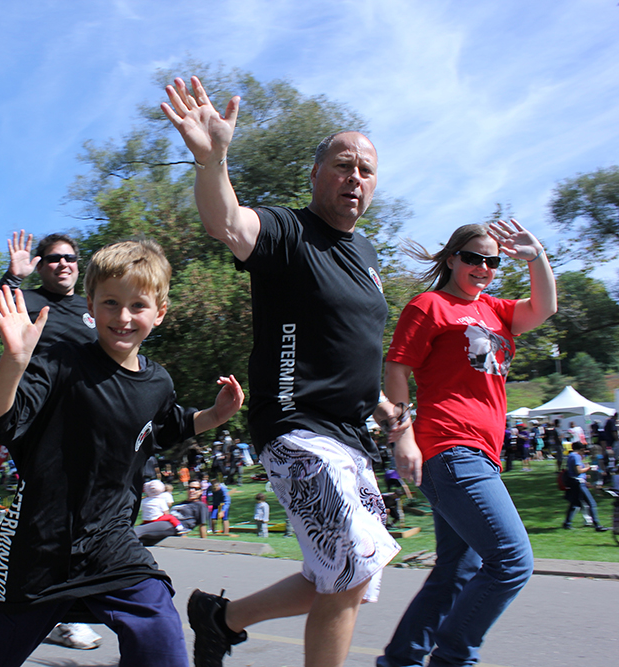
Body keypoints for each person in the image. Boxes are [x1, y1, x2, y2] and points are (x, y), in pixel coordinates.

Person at [162, 75, 406, 667]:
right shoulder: (289, 232)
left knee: (349, 577)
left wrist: (383, 406)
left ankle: (221, 619)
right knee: (349, 563)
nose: (355, 177)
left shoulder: (367, 255)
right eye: (344, 164)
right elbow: (228, 223)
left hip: (352, 435)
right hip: (296, 428)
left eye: (366, 170)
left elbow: (348, 345)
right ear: (316, 174)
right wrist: (212, 161)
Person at [0, 239, 245, 667]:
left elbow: (161, 428)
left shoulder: (157, 383)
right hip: (37, 549)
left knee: (158, 624)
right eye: (111, 303)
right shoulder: (59, 364)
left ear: (160, 312)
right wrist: (14, 363)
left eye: (138, 305)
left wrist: (213, 415)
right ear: (90, 304)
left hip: (109, 542)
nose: (124, 317)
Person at [377, 219, 557, 667]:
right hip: (450, 449)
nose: (483, 267)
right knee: (512, 561)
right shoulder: (430, 306)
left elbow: (545, 307)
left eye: (491, 261)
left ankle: (401, 661)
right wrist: (403, 437)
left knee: (457, 571)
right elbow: (396, 370)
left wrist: (537, 256)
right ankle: (453, 658)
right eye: (474, 257)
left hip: (484, 455)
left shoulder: (497, 311)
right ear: (453, 258)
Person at [0, 228, 105, 651]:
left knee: (82, 519)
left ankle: (53, 608)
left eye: (69, 258)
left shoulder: (92, 308)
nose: (62, 264)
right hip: (39, 429)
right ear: (41, 265)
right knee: (47, 521)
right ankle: (46, 610)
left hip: (88, 427)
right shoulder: (26, 300)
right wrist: (11, 278)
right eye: (52, 259)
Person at [136, 479, 211, 546]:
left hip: (173, 526)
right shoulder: (181, 503)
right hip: (163, 522)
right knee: (141, 540)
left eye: (196, 489)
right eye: (190, 488)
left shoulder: (200, 505)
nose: (192, 490)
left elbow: (202, 525)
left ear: (201, 491)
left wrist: (204, 544)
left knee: (138, 530)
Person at [563, 441, 607, 532]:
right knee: (591, 503)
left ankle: (567, 523)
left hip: (574, 482)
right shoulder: (576, 456)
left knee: (574, 504)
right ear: (582, 449)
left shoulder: (571, 456)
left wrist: (585, 475)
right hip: (578, 483)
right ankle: (597, 525)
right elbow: (578, 471)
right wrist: (589, 468)